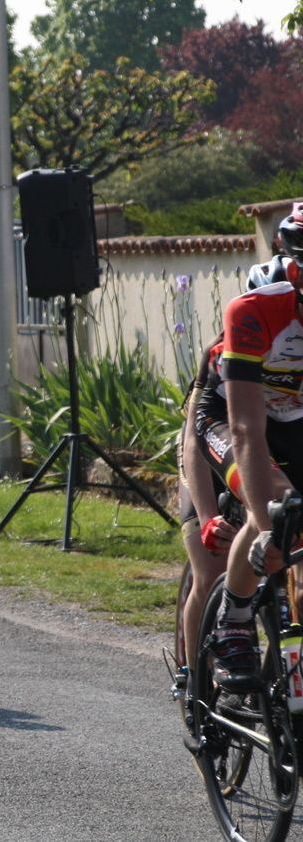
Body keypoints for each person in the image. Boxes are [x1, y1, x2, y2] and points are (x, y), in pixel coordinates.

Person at [203, 209, 303, 693]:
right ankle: (234, 618)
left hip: (295, 422)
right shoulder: (254, 312)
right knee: (279, 507)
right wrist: (268, 530)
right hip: (228, 418)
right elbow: (244, 429)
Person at [177, 254, 285, 692]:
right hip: (210, 463)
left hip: (270, 453)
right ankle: (193, 680)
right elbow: (191, 442)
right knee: (210, 566)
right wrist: (206, 519)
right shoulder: (222, 355)